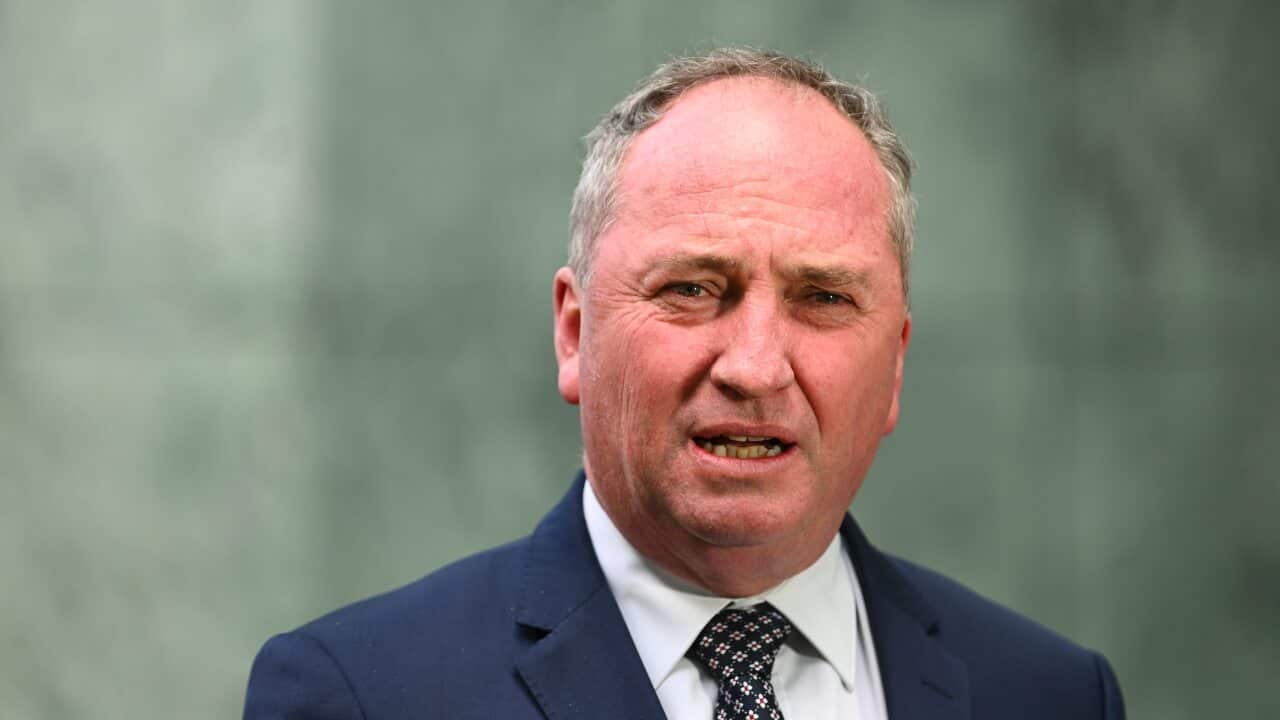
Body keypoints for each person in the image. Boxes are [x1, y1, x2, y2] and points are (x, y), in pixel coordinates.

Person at [244, 48, 1125, 720]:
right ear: (575, 334)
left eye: (823, 298)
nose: (754, 367)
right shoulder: (362, 696)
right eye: (694, 289)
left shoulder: (1052, 695)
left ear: (893, 364)